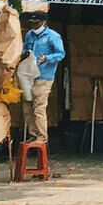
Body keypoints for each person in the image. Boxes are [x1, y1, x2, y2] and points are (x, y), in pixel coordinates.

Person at [21, 9, 65, 143]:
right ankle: (33, 133)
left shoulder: (53, 36)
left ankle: (42, 136)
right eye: (32, 23)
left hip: (44, 76)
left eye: (37, 23)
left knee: (39, 106)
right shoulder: (29, 35)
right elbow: (23, 50)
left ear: (44, 23)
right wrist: (25, 54)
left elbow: (60, 54)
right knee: (27, 106)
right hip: (29, 75)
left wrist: (47, 58)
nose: (34, 26)